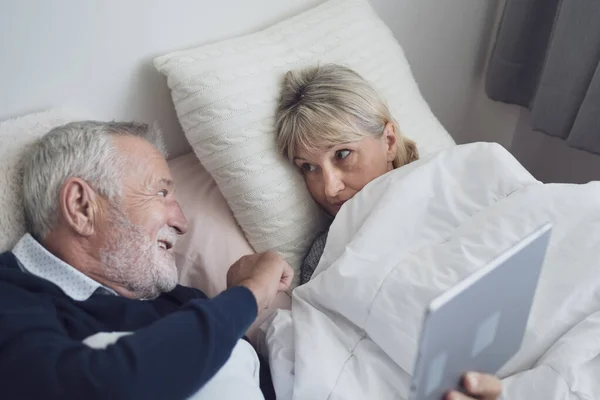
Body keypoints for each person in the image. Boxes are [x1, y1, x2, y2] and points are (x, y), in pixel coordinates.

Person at [0, 121, 292, 399]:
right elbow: (90, 388)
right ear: (81, 207)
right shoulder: (11, 294)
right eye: (161, 193)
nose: (181, 223)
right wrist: (250, 295)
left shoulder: (179, 300)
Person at [275, 64, 503, 400]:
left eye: (342, 154)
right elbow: (338, 357)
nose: (329, 187)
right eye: (308, 168)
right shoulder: (324, 257)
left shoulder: (455, 182)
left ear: (390, 141)